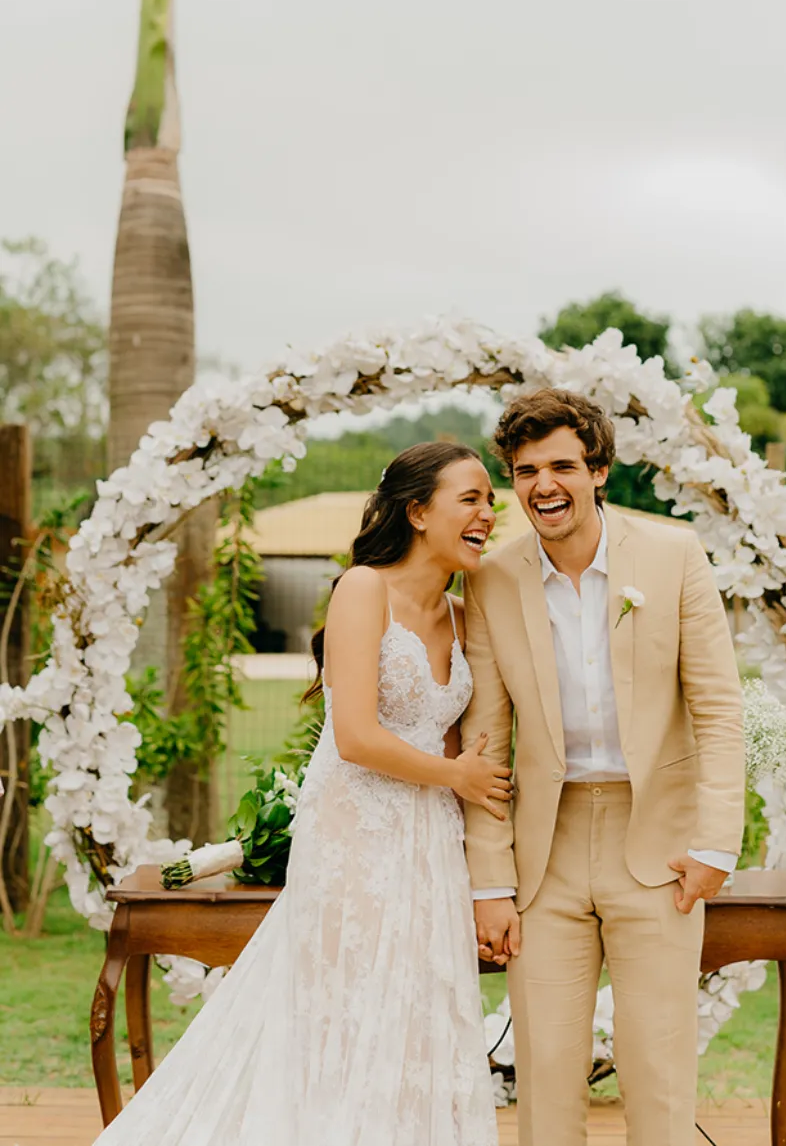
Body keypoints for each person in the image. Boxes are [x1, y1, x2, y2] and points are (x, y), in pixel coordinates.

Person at [94, 441, 507, 1146]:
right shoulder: (363, 590)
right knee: (345, 1003)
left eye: (490, 501)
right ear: (417, 511)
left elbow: (454, 737)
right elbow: (355, 735)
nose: (487, 514)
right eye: (470, 498)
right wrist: (458, 777)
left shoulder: (467, 615)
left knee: (418, 1002)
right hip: (354, 831)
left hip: (432, 839)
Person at [461, 389, 745, 1146]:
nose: (544, 486)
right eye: (526, 471)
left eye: (561, 466)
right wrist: (490, 881)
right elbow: (484, 743)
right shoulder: (489, 578)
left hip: (659, 846)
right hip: (542, 856)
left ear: (599, 470)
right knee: (545, 1077)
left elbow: (719, 708)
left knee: (659, 1074)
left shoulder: (674, 555)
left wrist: (716, 843)